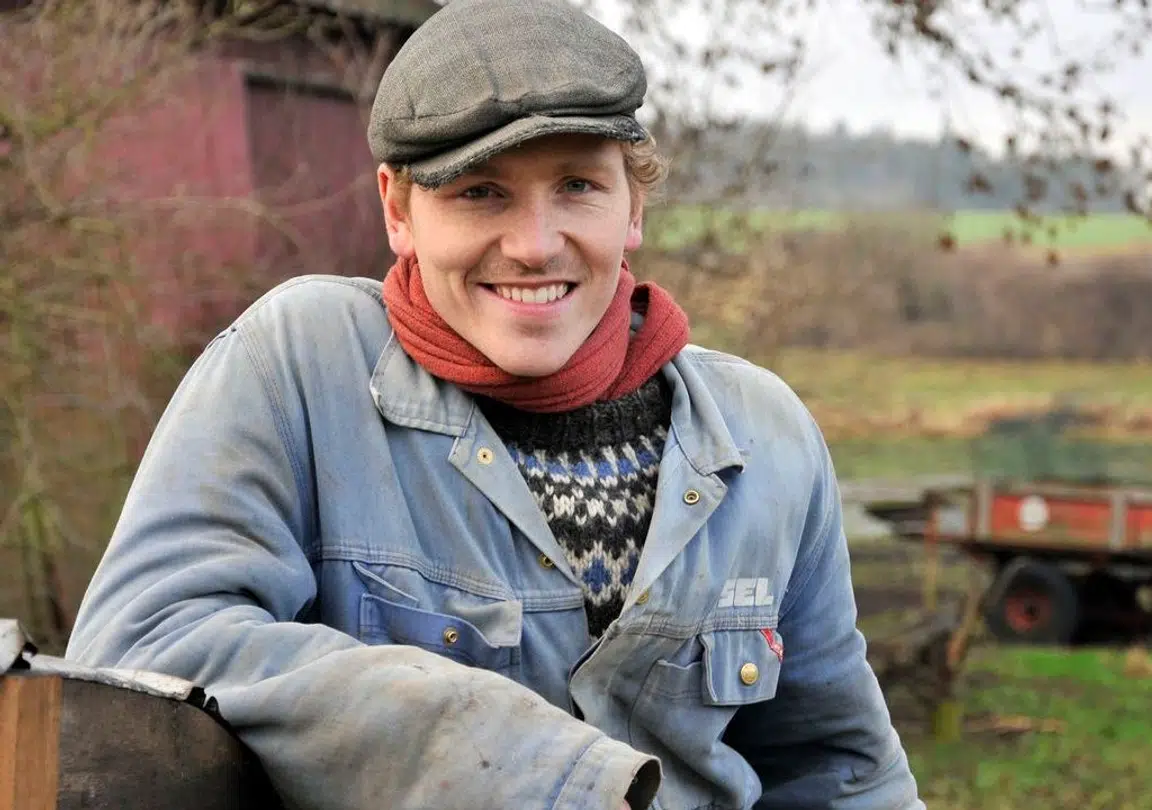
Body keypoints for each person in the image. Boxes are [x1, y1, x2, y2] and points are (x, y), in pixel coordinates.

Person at [64, 0, 923, 808]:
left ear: (633, 205)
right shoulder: (298, 364)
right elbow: (144, 648)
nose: (534, 244)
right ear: (398, 209)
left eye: (578, 187)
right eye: (481, 191)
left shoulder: (764, 433)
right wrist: (536, 768)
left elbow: (840, 768)